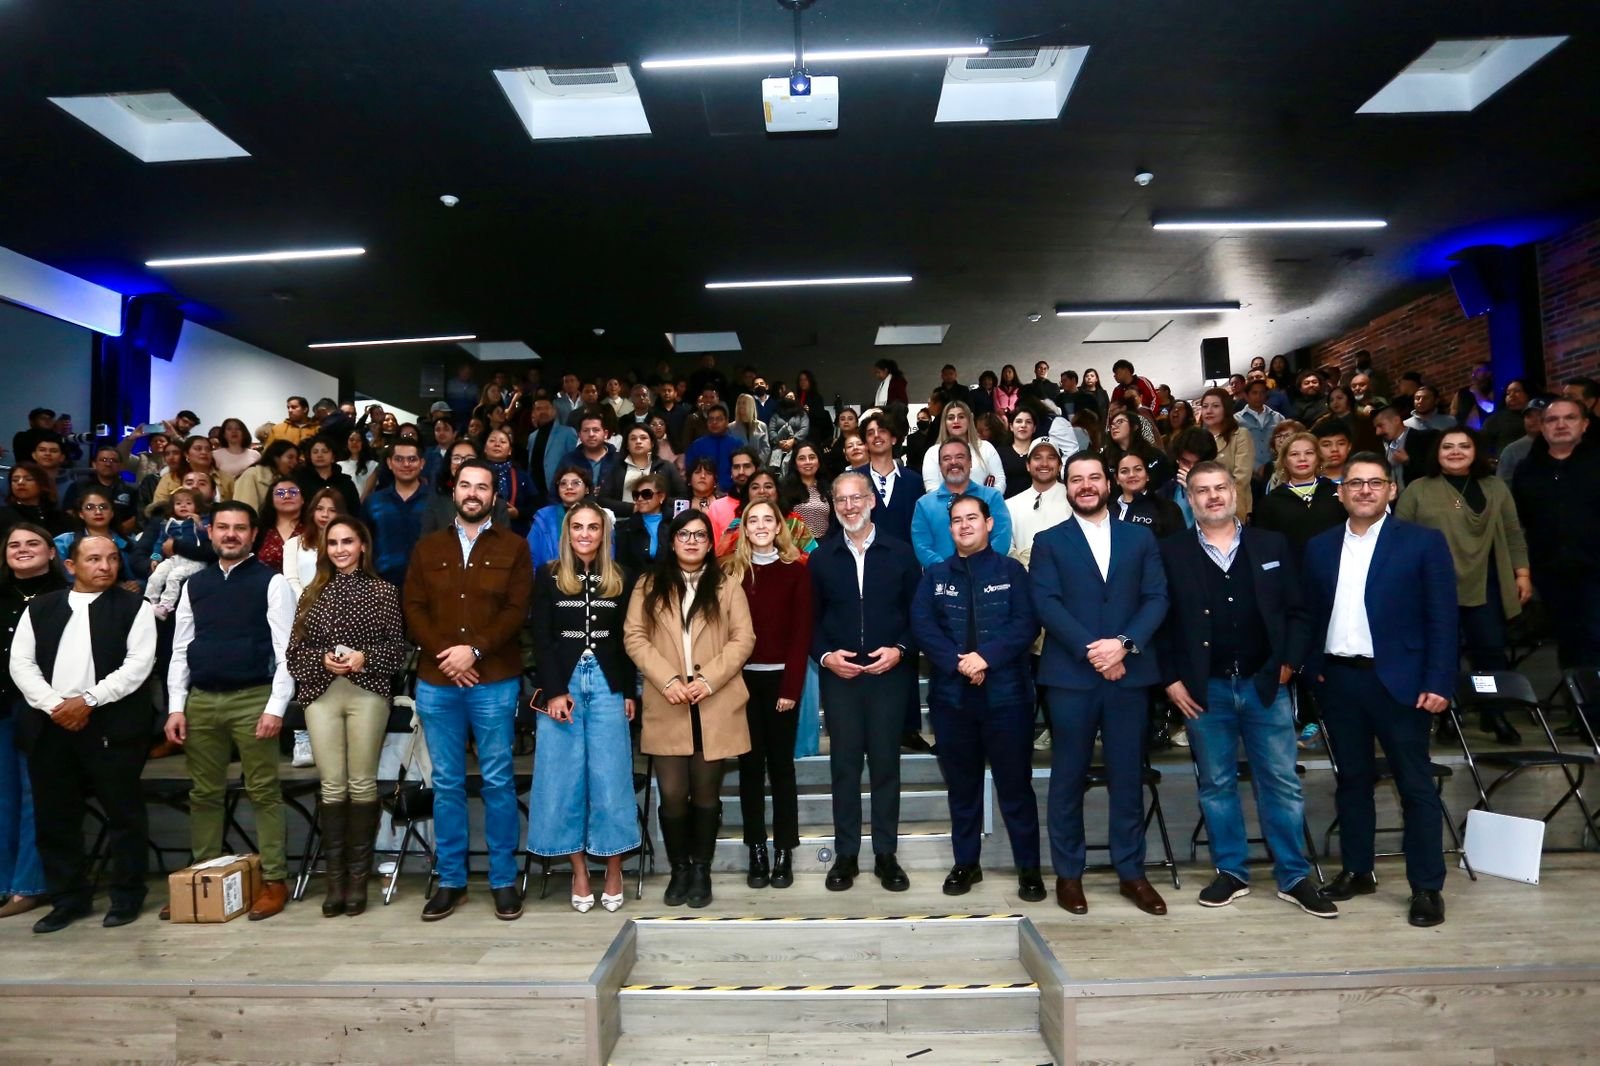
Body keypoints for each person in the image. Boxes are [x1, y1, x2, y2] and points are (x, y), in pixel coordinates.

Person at [1155, 464, 1336, 918]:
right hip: (1203, 691)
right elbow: (1159, 621)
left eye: (1220, 488)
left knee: (1281, 782)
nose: (1213, 496)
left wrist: (1289, 663)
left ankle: (1293, 875)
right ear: (1190, 499)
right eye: (1202, 490)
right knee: (1216, 784)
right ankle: (1231, 871)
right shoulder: (1171, 551)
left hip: (1265, 685)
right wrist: (1171, 680)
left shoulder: (1271, 544)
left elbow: (1299, 612)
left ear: (1235, 493)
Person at [1303, 453, 1457, 928]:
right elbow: (1309, 613)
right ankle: (1357, 870)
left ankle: (1426, 887)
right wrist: (1313, 668)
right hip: (1339, 681)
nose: (1365, 490)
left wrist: (1438, 680)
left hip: (1402, 682)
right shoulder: (1319, 546)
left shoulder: (1422, 542)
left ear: (1391, 489)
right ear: (1341, 493)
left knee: (1415, 785)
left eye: (1375, 482)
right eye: (1355, 483)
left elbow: (1443, 617)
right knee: (1352, 781)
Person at [1031, 452, 1170, 917]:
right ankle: (1069, 874)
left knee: (1127, 777)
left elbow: (1156, 597)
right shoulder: (1049, 541)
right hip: (1071, 677)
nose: (1086, 485)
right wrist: (1095, 651)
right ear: (1066, 488)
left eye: (1094, 477)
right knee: (1067, 778)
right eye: (1077, 479)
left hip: (1129, 676)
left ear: (1109, 484)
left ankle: (1131, 873)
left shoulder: (1140, 537)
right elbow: (1046, 603)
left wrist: (1123, 645)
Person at [403, 459, 534, 922]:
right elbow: (413, 608)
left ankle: (503, 880)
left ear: (494, 497)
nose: (473, 493)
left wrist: (473, 652)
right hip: (438, 680)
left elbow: (517, 610)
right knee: (446, 784)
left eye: (482, 487)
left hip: (494, 680)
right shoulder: (428, 548)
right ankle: (451, 880)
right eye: (466, 485)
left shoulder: (515, 547)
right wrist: (450, 656)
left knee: (498, 780)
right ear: (454, 492)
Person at [8, 535, 156, 933]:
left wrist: (88, 700)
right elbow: (21, 664)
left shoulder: (134, 607)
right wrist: (55, 706)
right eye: (93, 559)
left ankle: (127, 896)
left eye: (111, 558)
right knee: (55, 817)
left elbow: (138, 665)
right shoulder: (41, 608)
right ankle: (68, 899)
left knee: (124, 814)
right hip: (51, 725)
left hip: (111, 726)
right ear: (71, 566)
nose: (105, 566)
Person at [163, 501, 297, 921]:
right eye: (223, 527)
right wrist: (176, 706)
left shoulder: (272, 582)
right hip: (201, 700)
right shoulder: (194, 584)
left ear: (253, 535)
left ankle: (275, 880)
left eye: (240, 528)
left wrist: (276, 707)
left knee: (263, 791)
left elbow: (287, 651)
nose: (231, 535)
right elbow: (181, 649)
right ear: (210, 532)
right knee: (203, 794)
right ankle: (202, 881)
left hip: (253, 698)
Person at [910, 495, 1045, 901]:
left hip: (1008, 699)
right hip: (953, 702)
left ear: (989, 524)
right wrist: (960, 663)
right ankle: (966, 863)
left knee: (1015, 788)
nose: (964, 525)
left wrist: (985, 657)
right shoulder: (935, 576)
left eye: (972, 518)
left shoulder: (1012, 571)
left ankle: (1029, 869)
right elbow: (922, 625)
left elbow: (1026, 623)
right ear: (949, 529)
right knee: (962, 788)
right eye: (957, 520)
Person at [624, 509, 755, 908]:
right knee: (672, 793)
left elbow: (743, 639)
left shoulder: (727, 584)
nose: (692, 541)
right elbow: (634, 636)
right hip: (669, 701)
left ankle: (701, 870)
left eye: (700, 535)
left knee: (705, 793)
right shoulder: (649, 584)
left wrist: (708, 679)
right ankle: (679, 869)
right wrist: (667, 680)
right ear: (672, 540)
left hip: (713, 700)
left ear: (710, 543)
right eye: (685, 535)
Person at [284, 517, 409, 917]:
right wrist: (322, 660)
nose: (340, 549)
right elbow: (293, 655)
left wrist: (363, 658)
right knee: (332, 783)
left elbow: (398, 651)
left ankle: (357, 880)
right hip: (320, 694)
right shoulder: (311, 592)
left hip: (367, 692)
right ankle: (334, 881)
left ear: (362, 546)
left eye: (347, 541)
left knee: (361, 781)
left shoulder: (383, 591)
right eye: (333, 542)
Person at [809, 473, 922, 892]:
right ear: (833, 506)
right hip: (841, 677)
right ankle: (846, 855)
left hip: (889, 675)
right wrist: (825, 657)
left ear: (872, 501)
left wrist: (901, 650)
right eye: (841, 500)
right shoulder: (822, 558)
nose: (849, 506)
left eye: (856, 498)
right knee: (844, 767)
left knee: (886, 766)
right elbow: (811, 621)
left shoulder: (901, 553)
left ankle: (886, 855)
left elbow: (919, 615)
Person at [528, 501, 640, 914]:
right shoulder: (548, 575)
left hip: (609, 684)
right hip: (565, 686)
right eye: (578, 527)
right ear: (567, 532)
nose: (585, 534)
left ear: (604, 533)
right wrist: (554, 690)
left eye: (593, 527)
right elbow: (541, 637)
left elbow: (628, 639)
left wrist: (628, 691)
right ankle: (578, 871)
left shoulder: (622, 576)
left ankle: (613, 868)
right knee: (562, 777)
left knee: (611, 778)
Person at [1396, 427, 1530, 745]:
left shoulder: (1495, 487)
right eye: (1448, 447)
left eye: (1464, 446)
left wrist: (1522, 574)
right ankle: (1447, 716)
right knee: (1445, 654)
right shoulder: (1418, 489)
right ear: (1437, 452)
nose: (1455, 452)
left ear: (1475, 451)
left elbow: (1513, 532)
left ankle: (1493, 713)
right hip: (1433, 586)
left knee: (1490, 651)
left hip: (1486, 583)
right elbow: (1399, 537)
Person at [724, 500, 812, 891]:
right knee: (749, 768)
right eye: (753, 520)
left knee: (781, 769)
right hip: (741, 682)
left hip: (781, 683)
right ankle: (756, 849)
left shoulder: (796, 572)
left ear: (779, 527)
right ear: (744, 528)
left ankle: (783, 851)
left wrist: (791, 688)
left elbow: (801, 634)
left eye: (767, 520)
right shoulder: (732, 572)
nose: (760, 526)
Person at [0, 525, 69, 922]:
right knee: (2, 797)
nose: (22, 550)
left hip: (44, 707)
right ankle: (3, 881)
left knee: (34, 796)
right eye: (14, 545)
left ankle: (28, 886)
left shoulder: (66, 596)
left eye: (32, 543)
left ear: (51, 552)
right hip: (0, 705)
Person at [1512, 398, 1600, 670]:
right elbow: (1521, 520)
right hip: (1551, 572)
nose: (1561, 424)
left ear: (1585, 425)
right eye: (1552, 419)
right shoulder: (1526, 470)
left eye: (1570, 418)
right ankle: (1579, 696)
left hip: (1596, 568)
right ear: (1542, 427)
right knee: (1570, 642)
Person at [911, 441, 1013, 566]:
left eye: (960, 457)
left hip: (989, 573)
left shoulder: (992, 497)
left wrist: (980, 566)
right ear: (940, 466)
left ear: (970, 462)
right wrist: (948, 571)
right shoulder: (924, 504)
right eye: (946, 458)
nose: (953, 462)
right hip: (941, 576)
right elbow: (922, 546)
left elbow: (1002, 537)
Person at [1252, 432, 1347, 559]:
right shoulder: (1271, 501)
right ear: (1284, 461)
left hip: (1336, 564)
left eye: (1309, 453)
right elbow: (1264, 545)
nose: (1302, 458)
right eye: (1294, 454)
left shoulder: (1338, 492)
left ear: (1318, 458)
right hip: (1290, 568)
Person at [362, 438, 429, 589]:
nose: (406, 464)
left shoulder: (435, 502)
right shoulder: (373, 502)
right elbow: (364, 543)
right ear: (389, 463)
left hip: (427, 586)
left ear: (422, 463)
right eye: (399, 459)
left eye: (412, 459)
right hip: (381, 586)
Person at [854, 411, 922, 544]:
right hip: (864, 555)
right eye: (870, 433)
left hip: (906, 555)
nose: (876, 435)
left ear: (893, 439)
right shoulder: (853, 480)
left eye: (882, 431)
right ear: (865, 444)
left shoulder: (914, 481)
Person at [920, 400, 1007, 494]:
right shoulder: (933, 452)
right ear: (944, 422)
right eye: (951, 418)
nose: (956, 421)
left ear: (969, 420)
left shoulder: (986, 447)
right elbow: (932, 489)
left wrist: (986, 501)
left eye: (961, 417)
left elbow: (1000, 482)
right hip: (946, 503)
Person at [600, 425, 686, 517]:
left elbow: (683, 498)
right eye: (633, 439)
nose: (638, 441)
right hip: (624, 520)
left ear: (652, 443)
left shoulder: (666, 466)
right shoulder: (617, 467)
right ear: (627, 445)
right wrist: (632, 508)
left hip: (659, 520)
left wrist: (657, 502)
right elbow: (603, 500)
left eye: (643, 438)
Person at [1007, 439, 1068, 561]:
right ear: (1028, 465)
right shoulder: (1010, 505)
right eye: (1037, 458)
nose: (1044, 463)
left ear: (1060, 466)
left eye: (1051, 458)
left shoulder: (1074, 500)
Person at [527, 466, 597, 571]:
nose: (569, 487)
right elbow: (530, 555)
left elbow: (607, 555)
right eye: (563, 483)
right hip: (550, 575)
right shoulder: (544, 517)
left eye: (576, 483)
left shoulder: (598, 516)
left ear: (586, 489)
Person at [1198, 388, 1253, 520]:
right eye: (1205, 406)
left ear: (1226, 409)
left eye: (1215, 406)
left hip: (1233, 502)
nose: (1209, 411)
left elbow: (1241, 477)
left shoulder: (1240, 435)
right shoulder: (1196, 437)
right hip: (1201, 504)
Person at [282, 488, 346, 599]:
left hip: (338, 603)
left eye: (332, 510)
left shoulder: (347, 546)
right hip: (302, 604)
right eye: (319, 509)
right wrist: (307, 603)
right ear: (312, 511)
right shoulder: (293, 544)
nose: (325, 514)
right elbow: (291, 581)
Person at [1112, 452, 1185, 540]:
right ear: (1117, 479)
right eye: (1124, 471)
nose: (1131, 475)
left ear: (1147, 475)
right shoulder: (1107, 512)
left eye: (1138, 469)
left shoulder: (1167, 509)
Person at [0, 462, 74, 538]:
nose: (20, 483)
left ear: (42, 483)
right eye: (15, 480)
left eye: (28, 479)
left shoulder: (61, 518)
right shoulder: (3, 515)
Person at [615, 472, 670, 571]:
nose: (640, 499)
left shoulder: (675, 524)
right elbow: (622, 567)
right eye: (636, 495)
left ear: (661, 496)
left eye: (646, 494)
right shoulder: (626, 528)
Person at [232, 440, 300, 518]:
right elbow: (244, 510)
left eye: (296, 459)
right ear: (275, 458)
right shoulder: (252, 475)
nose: (295, 462)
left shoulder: (287, 481)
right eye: (290, 457)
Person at [295, 438, 361, 516]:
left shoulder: (346, 482)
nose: (319, 455)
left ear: (333, 457)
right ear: (310, 457)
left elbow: (355, 511)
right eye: (315, 452)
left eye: (325, 451)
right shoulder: (300, 480)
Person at [1495, 398, 1548, 484]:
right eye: (1529, 416)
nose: (1534, 420)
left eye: (1540, 415)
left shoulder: (1561, 445)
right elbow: (1502, 485)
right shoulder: (1511, 451)